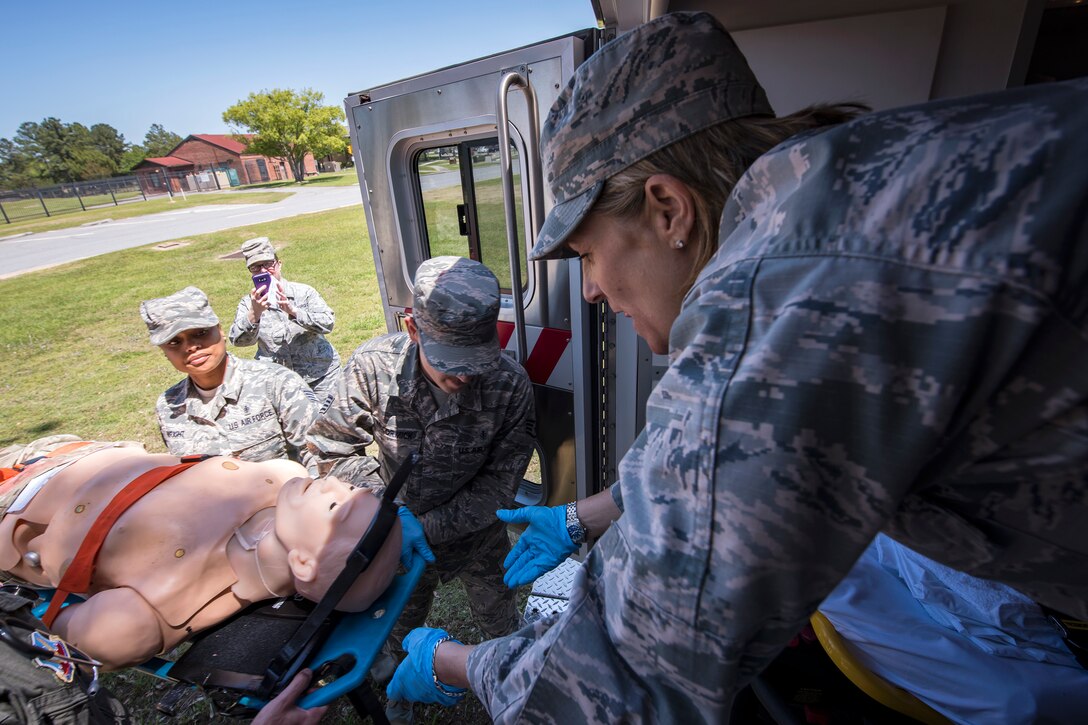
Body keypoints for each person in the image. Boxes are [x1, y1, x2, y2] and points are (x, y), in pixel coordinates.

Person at [382, 11, 1088, 722]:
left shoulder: (789, 283)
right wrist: (581, 513)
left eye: (591, 252)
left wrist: (453, 660)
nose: (591, 288)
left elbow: (623, 676)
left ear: (667, 208)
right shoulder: (850, 184)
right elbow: (722, 460)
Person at [0, 439, 403, 670]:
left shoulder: (148, 614)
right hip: (83, 450)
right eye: (350, 489)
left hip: (16, 507)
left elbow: (40, 633)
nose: (332, 484)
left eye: (336, 506)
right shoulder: (281, 478)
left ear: (304, 562)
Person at [142, 286, 319, 470]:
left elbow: (321, 456)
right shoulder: (169, 406)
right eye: (174, 342)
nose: (191, 347)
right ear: (164, 352)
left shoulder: (276, 383)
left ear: (220, 331)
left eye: (200, 333)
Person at [229, 237, 341, 403]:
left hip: (321, 377)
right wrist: (255, 314)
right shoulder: (249, 303)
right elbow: (238, 340)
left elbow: (328, 323)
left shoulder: (304, 292)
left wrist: (293, 311)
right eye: (255, 267)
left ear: (279, 264)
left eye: (268, 264)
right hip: (280, 384)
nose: (264, 271)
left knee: (332, 424)